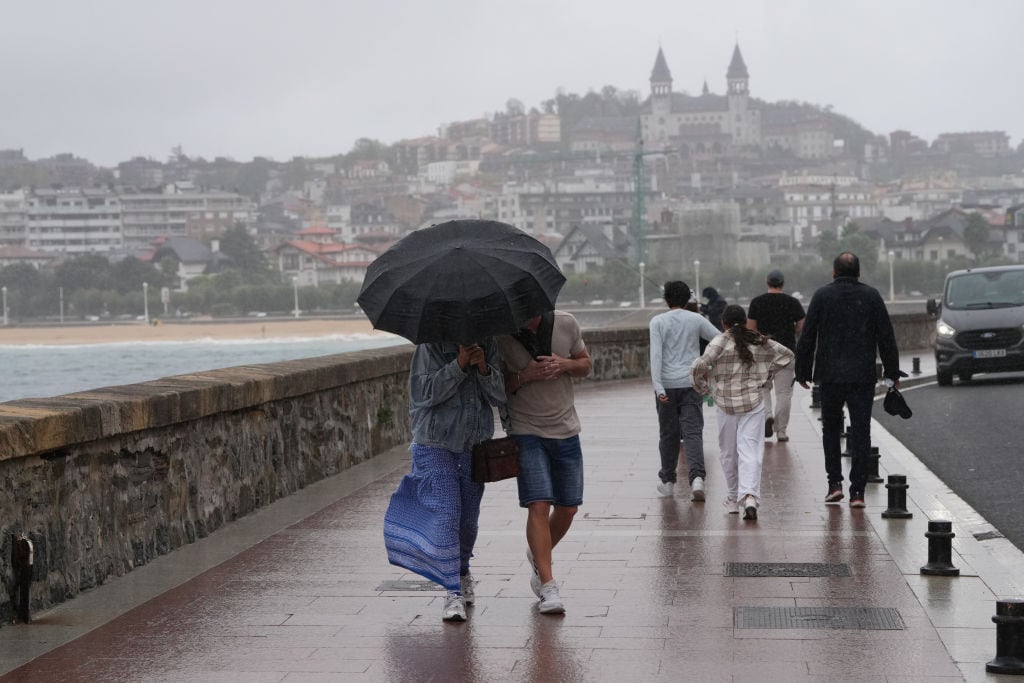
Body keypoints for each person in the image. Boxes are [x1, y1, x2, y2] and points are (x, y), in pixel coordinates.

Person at [383, 340, 506, 622]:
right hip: (434, 442)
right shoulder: (429, 348)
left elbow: (500, 396)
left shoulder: (489, 344)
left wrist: (484, 367)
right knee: (448, 514)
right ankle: (451, 590)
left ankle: (462, 571)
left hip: (474, 443)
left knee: (468, 520)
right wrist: (459, 364)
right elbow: (424, 393)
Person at [498, 310, 591, 615]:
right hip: (526, 431)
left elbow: (585, 364)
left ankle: (538, 553)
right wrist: (526, 375)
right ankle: (548, 586)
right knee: (539, 504)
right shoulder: (500, 334)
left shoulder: (565, 322)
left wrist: (564, 364)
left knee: (568, 507)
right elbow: (494, 388)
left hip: (565, 428)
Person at [795, 252, 903, 507]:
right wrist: (892, 372)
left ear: (834, 272)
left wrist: (802, 371)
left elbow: (808, 335)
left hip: (830, 375)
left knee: (831, 429)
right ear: (858, 272)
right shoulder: (871, 296)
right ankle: (857, 492)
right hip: (862, 374)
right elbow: (886, 336)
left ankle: (834, 484)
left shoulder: (822, 296)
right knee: (861, 430)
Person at [692, 305, 794, 520]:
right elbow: (787, 355)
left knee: (728, 452)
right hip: (753, 403)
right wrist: (765, 376)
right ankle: (749, 497)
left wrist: (706, 389)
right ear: (746, 321)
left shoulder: (719, 341)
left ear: (724, 323)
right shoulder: (758, 340)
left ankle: (732, 498)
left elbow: (698, 367)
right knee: (750, 450)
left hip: (725, 404)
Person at [649, 281, 721, 500]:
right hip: (691, 383)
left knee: (668, 434)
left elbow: (656, 356)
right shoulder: (696, 319)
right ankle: (697, 478)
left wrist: (658, 386)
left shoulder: (658, 322)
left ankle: (668, 480)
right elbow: (719, 339)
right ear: (687, 299)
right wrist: (705, 363)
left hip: (667, 385)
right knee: (693, 432)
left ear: (666, 298)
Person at [746, 269, 805, 442]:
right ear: (782, 283)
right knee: (784, 393)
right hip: (786, 351)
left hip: (763, 351)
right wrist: (791, 332)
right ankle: (781, 431)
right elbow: (802, 325)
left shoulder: (757, 302)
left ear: (767, 282)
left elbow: (750, 328)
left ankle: (767, 416)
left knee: (763, 388)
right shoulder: (792, 302)